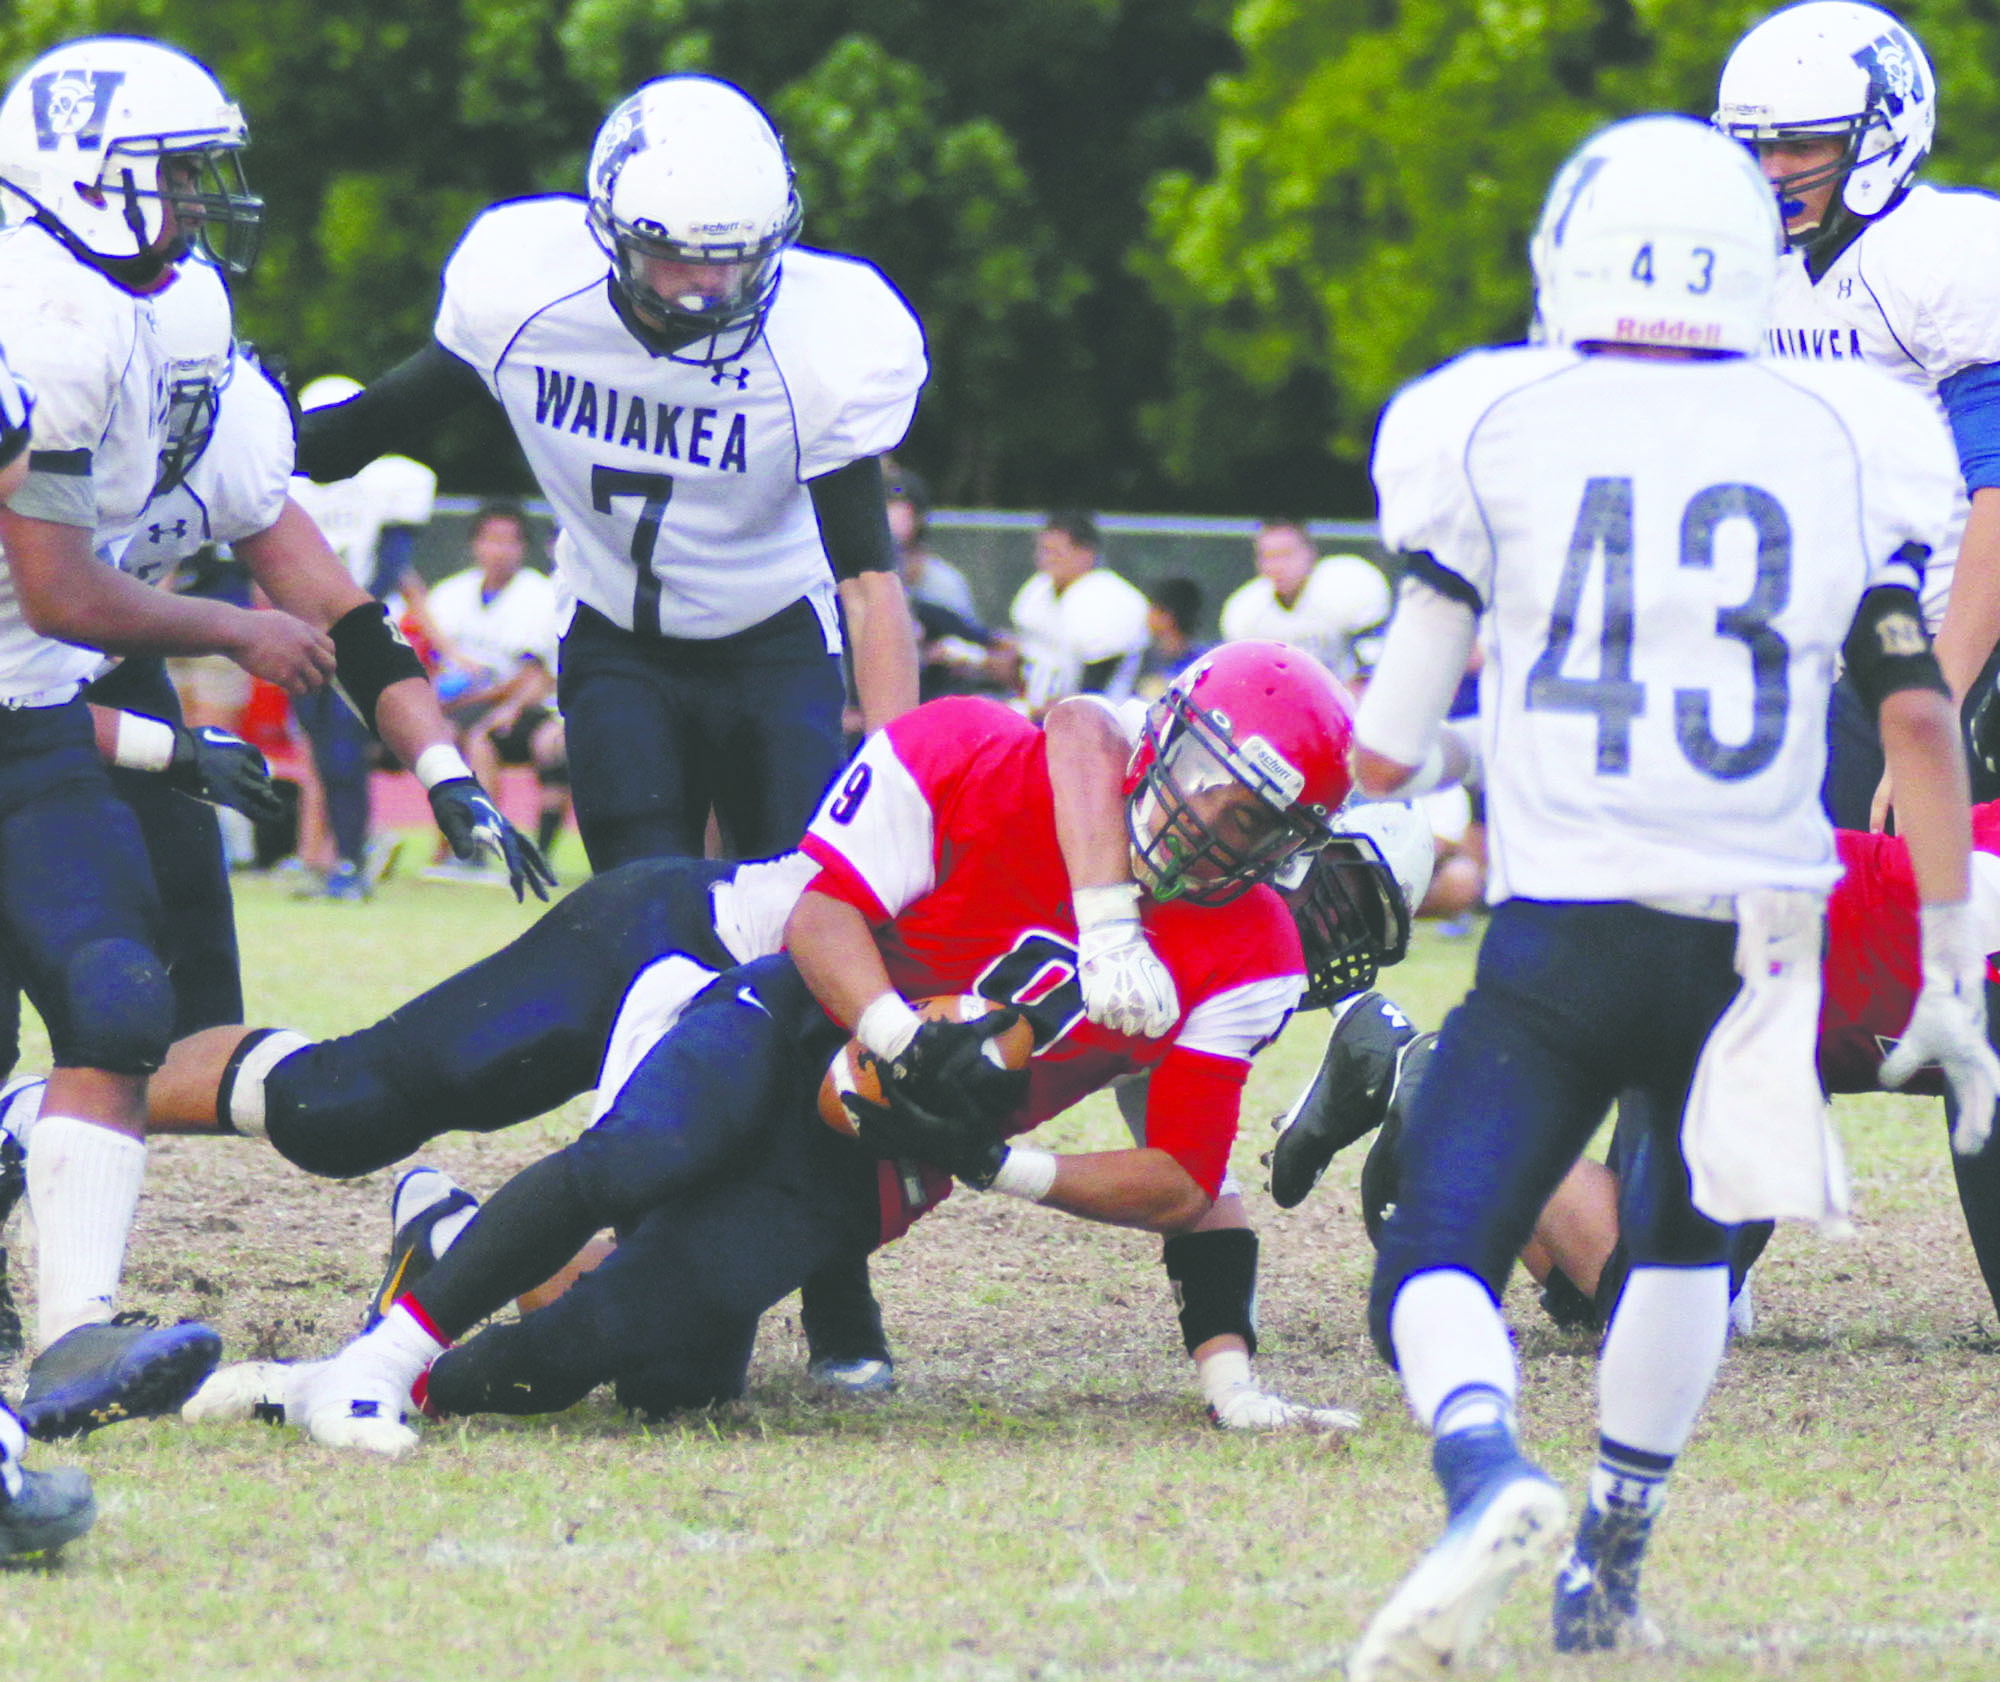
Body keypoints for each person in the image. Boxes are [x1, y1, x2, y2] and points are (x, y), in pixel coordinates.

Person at [1340, 116, 1996, 1677]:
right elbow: (1916, 723)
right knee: (1686, 1246)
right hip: (1761, 937)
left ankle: (1490, 1465)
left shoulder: (1486, 422)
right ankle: (1610, 1566)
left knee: (1437, 1246)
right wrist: (1956, 963)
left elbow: (1382, 741)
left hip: (1570, 919)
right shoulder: (1841, 431)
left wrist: (1394, 811)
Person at [211, 643, 1354, 1452]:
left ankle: (351, 1371)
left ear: (1288, 848)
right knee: (626, 1155)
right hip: (797, 998)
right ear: (1165, 732)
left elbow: (1185, 1181)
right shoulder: (985, 748)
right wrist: (899, 1032)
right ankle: (378, 1357)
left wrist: (993, 1161)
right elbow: (823, 912)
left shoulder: (1248, 954)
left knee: (643, 1360)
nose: (1206, 818)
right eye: (1206, 777)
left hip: (877, 1149)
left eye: (1248, 817)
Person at [294, 73, 924, 872]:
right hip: (614, 634)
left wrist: (894, 779)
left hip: (775, 639)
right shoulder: (530, 295)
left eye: (737, 261)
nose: (711, 287)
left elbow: (870, 582)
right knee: (639, 899)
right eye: (676, 259)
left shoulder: (822, 339)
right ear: (611, 234)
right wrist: (229, 437)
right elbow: (360, 431)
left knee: (793, 899)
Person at [0, 35, 339, 1437]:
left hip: (25, 724)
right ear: (80, 181)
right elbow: (62, 584)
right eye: (174, 179)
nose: (197, 207)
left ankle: (73, 1337)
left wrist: (163, 749)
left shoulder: (118, 306)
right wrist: (238, 631)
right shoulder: (46, 320)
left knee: (121, 1000)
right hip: (38, 689)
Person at [1715, 3, 2000, 825]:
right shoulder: (1763, 275)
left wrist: (1936, 710)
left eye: (1801, 145)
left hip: (1970, 648)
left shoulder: (1936, 249)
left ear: (1881, 134)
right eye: (1758, 146)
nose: (1773, 171)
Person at [284, 374, 438, 898]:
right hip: (301, 627)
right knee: (324, 750)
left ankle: (351, 861)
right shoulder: (284, 481)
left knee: (346, 748)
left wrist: (347, 616)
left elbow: (392, 565)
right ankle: (341, 859)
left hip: (355, 629)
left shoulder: (388, 481)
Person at [423, 502, 570, 870]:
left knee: (478, 739)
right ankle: (447, 846)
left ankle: (478, 846)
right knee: (438, 739)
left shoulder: (538, 594)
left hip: (525, 706)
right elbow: (427, 660)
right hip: (459, 704)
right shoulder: (450, 593)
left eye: (510, 542)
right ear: (475, 545)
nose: (499, 551)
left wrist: (469, 699)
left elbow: (531, 676)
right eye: (491, 540)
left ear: (523, 548)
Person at [1008, 510, 1149, 716]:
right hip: (1045, 711)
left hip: (1104, 723)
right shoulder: (1038, 590)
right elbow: (1025, 663)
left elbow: (1093, 695)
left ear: (1085, 554)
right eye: (1042, 550)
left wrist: (1031, 710)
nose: (1044, 559)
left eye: (1054, 552)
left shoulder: (1109, 598)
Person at [1217, 519, 1391, 684]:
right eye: (1268, 556)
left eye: (1286, 555)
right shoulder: (1247, 611)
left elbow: (1372, 665)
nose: (1277, 566)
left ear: (1310, 553)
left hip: (1345, 701)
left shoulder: (1344, 587)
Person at [1133, 577, 1212, 700]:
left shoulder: (1203, 662)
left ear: (1168, 616)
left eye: (1153, 609)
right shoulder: (1139, 660)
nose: (1147, 616)